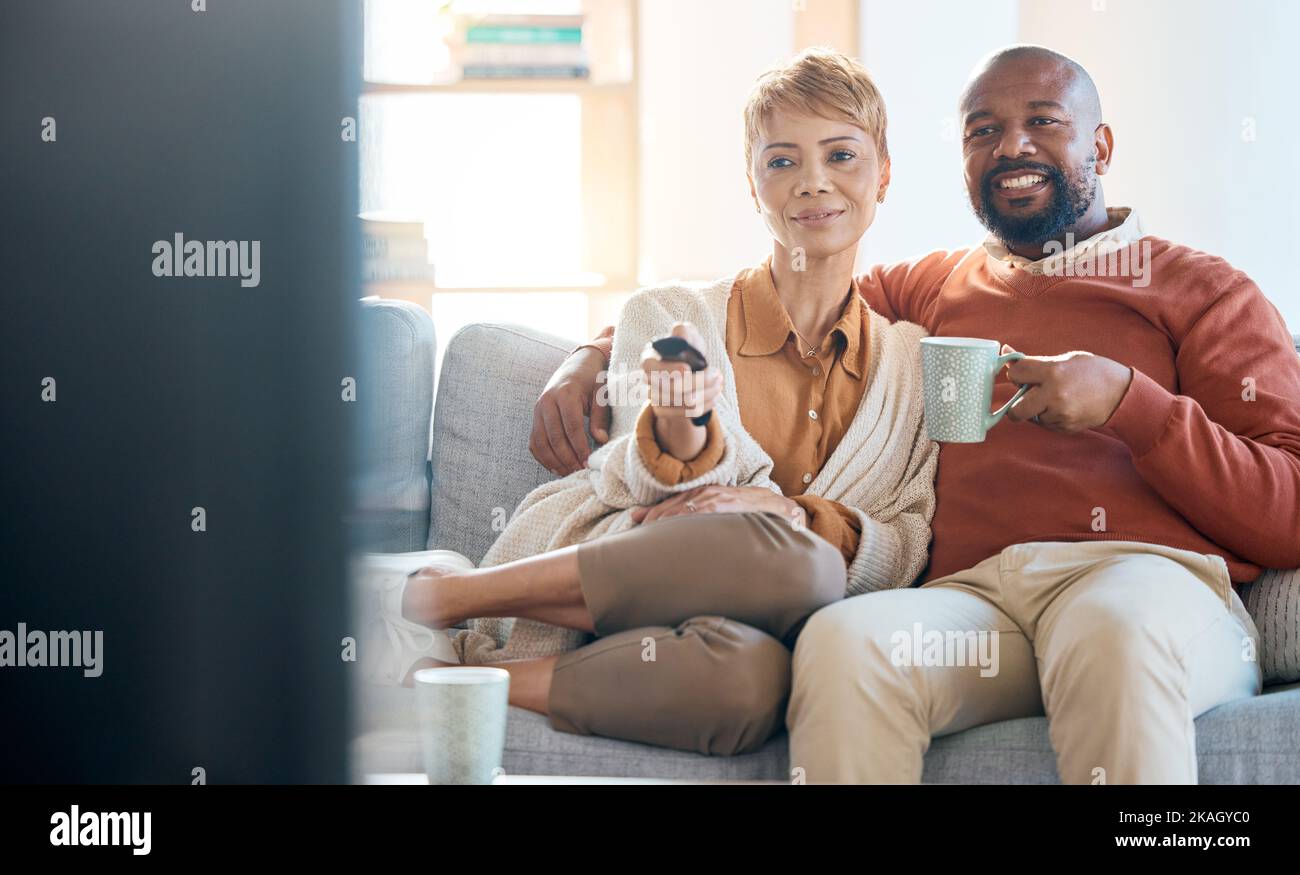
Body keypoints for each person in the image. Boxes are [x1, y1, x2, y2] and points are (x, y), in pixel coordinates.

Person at [533, 45, 1300, 781]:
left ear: (1099, 143)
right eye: (984, 131)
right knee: (842, 641)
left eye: (1044, 121)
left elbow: (1288, 508)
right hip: (975, 602)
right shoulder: (936, 289)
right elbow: (778, 298)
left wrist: (1132, 405)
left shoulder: (1204, 290)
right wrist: (598, 351)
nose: (1013, 146)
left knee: (1111, 632)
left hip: (1151, 589)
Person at [356, 48, 938, 757]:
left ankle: (456, 675)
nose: (813, 182)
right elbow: (658, 493)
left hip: (740, 638)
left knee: (754, 689)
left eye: (841, 155)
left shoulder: (911, 364)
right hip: (630, 576)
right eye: (782, 161)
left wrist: (792, 514)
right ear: (753, 187)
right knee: (801, 562)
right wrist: (683, 421)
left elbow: (908, 534)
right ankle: (434, 598)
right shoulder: (668, 311)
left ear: (884, 174)